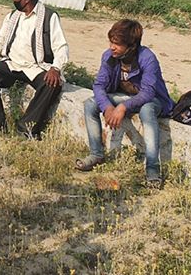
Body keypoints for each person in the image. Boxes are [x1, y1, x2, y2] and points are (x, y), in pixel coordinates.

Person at [73, 19, 174, 188]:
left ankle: (152, 169)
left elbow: (148, 93)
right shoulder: (109, 56)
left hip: (153, 100)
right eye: (111, 42)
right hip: (125, 97)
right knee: (90, 104)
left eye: (117, 44)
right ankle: (96, 154)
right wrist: (107, 107)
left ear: (131, 46)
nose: (112, 47)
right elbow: (99, 85)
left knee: (147, 110)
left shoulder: (147, 58)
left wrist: (122, 107)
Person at [0, 0, 69, 138]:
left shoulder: (49, 17)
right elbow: (0, 39)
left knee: (52, 84)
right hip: (12, 64)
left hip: (36, 67)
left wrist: (56, 68)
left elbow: (61, 47)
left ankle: (26, 127)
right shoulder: (13, 16)